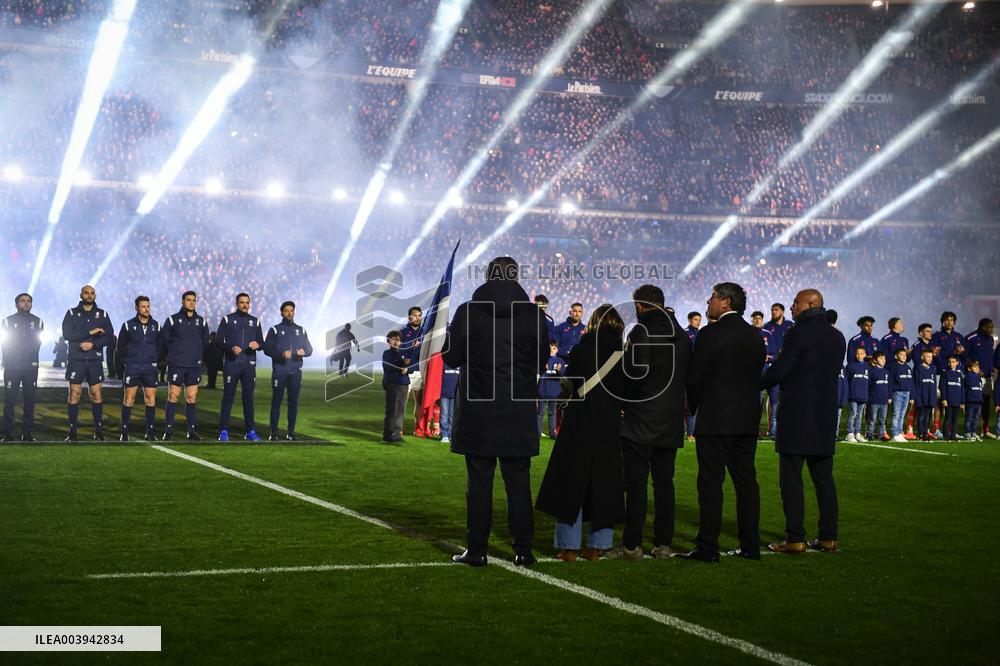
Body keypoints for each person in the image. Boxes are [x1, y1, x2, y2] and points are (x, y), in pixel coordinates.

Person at [443, 256, 548, 567]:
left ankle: (476, 550)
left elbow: (451, 358)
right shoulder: (533, 314)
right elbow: (542, 359)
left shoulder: (468, 311)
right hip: (518, 410)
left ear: (488, 276)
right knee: (518, 484)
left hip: (478, 411)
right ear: (515, 277)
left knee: (478, 485)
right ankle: (524, 550)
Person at [678, 282, 764, 562]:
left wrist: (694, 404)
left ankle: (708, 547)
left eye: (713, 297)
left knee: (711, 484)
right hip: (747, 419)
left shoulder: (709, 334)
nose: (708, 302)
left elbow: (695, 376)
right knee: (746, 483)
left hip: (716, 418)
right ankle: (751, 546)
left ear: (726, 302)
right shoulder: (755, 336)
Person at [536, 304, 627, 562]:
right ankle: (597, 547)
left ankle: (568, 547)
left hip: (580, 422)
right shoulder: (624, 354)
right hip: (609, 426)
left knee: (571, 483)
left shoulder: (581, 349)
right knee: (605, 485)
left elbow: (572, 383)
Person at [607, 284, 690, 561]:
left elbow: (634, 375)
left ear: (641, 306)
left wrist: (622, 401)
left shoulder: (642, 332)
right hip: (670, 420)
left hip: (641, 419)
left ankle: (632, 545)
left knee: (637, 483)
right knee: (665, 484)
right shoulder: (683, 336)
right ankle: (663, 544)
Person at [762, 288, 846, 554]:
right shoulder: (837, 336)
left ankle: (795, 537)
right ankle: (828, 536)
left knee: (791, 479)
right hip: (824, 416)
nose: (792, 307)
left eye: (796, 303)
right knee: (824, 479)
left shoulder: (797, 332)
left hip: (798, 415)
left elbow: (782, 369)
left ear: (811, 304)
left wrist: (754, 380)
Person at [61, 285, 113, 441]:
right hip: (76, 359)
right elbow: (67, 334)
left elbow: (109, 336)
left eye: (92, 293)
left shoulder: (103, 314)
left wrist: (94, 345)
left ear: (95, 296)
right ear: (81, 295)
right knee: (74, 394)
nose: (89, 295)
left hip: (94, 360)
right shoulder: (71, 313)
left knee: (96, 394)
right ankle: (72, 432)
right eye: (86, 293)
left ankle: (98, 431)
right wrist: (90, 333)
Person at [159, 291, 209, 440]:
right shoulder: (173, 320)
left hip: (193, 365)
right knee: (173, 396)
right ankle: (168, 431)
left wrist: (197, 356)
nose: (191, 303)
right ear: (182, 302)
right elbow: (164, 340)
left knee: (192, 398)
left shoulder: (201, 321)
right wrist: (174, 355)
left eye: (194, 300)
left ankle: (191, 431)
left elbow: (205, 342)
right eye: (188, 300)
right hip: (177, 364)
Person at [216, 293, 265, 442]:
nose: (245, 305)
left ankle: (250, 431)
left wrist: (258, 345)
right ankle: (223, 431)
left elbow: (262, 343)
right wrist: (231, 348)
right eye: (242, 302)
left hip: (249, 365)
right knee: (228, 398)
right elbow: (218, 341)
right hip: (232, 364)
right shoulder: (227, 319)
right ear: (236, 304)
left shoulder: (255, 321)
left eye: (247, 302)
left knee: (248, 399)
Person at [263, 301, 313, 441]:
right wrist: (281, 354)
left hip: (295, 373)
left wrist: (305, 352)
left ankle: (290, 433)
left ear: (294, 312)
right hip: (280, 371)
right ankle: (273, 433)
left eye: (291, 310)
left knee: (293, 403)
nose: (289, 313)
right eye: (286, 311)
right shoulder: (275, 330)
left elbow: (309, 349)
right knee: (276, 402)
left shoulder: (301, 330)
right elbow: (267, 349)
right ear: (281, 313)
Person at [116, 296, 160, 442]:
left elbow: (162, 346)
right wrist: (126, 362)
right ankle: (124, 432)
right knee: (129, 398)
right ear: (136, 308)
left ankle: (150, 432)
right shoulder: (128, 325)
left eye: (148, 306)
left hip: (150, 367)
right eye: (143, 306)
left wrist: (156, 360)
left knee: (150, 399)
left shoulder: (156, 325)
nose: (146, 309)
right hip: (132, 366)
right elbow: (119, 347)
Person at [2, 293, 43, 442]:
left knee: (29, 400)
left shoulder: (38, 322)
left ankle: (27, 434)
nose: (26, 304)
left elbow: (36, 344)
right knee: (10, 401)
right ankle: (8, 435)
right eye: (23, 301)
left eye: (29, 301)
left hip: (30, 367)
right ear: (16, 304)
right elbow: (5, 344)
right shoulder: (7, 321)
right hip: (12, 366)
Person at [762, 302, 793, 438]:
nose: (773, 312)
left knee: (786, 397)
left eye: (775, 310)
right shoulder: (767, 327)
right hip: (772, 365)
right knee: (772, 397)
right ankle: (771, 428)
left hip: (787, 365)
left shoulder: (790, 325)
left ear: (782, 311)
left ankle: (784, 427)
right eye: (772, 310)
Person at [964, 319, 994, 438]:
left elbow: (990, 356)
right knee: (972, 403)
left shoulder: (991, 340)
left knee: (985, 403)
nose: (991, 330)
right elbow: (965, 356)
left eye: (992, 327)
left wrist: (991, 368)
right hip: (974, 377)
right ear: (982, 327)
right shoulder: (971, 338)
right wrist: (973, 369)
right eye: (989, 327)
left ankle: (984, 430)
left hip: (987, 377)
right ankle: (969, 430)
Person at [399, 306, 426, 437]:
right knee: (402, 401)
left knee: (419, 401)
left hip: (419, 371)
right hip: (405, 371)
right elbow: (401, 352)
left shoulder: (425, 331)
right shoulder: (403, 331)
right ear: (409, 317)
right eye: (415, 315)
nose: (418, 318)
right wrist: (409, 353)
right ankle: (398, 429)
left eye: (420, 315)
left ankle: (419, 429)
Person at [380, 330, 409, 443]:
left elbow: (411, 366)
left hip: (403, 383)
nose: (397, 342)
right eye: (394, 340)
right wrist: (403, 365)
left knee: (401, 410)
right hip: (392, 383)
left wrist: (407, 368)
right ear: (389, 341)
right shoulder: (387, 353)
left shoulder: (404, 353)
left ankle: (396, 435)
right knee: (391, 410)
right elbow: (390, 366)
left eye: (398, 340)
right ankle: (387, 436)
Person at [536, 341, 562, 439]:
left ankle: (552, 433)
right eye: (550, 348)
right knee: (540, 413)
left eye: (554, 348)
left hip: (554, 391)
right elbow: (538, 372)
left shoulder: (560, 361)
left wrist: (556, 371)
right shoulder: (542, 360)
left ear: (557, 350)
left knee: (552, 413)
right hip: (543, 390)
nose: (552, 350)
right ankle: (537, 432)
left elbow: (559, 375)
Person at [888, 348, 914, 442]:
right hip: (897, 393)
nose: (903, 356)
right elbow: (890, 382)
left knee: (902, 415)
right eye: (901, 355)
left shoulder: (907, 368)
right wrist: (889, 395)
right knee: (896, 414)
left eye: (905, 355)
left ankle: (899, 433)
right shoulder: (893, 367)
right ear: (896, 356)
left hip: (906, 393)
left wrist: (912, 396)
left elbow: (911, 383)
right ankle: (894, 434)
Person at [844, 347, 870, 443]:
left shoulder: (868, 367)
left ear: (865, 355)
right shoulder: (850, 366)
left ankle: (857, 433)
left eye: (861, 353)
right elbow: (847, 381)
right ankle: (849, 434)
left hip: (863, 396)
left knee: (859, 416)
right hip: (853, 395)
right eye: (857, 353)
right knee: (853, 414)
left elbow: (868, 383)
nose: (859, 355)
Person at [912, 349, 938, 440]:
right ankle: (921, 434)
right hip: (921, 397)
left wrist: (934, 398)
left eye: (931, 357)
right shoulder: (918, 368)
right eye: (928, 356)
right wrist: (917, 397)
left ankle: (925, 433)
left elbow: (934, 385)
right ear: (922, 357)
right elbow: (916, 384)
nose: (930, 358)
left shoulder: (932, 369)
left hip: (930, 398)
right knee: (921, 416)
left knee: (927, 417)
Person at [866, 352, 890, 441]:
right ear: (875, 360)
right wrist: (868, 398)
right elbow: (869, 386)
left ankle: (881, 435)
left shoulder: (887, 372)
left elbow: (889, 386)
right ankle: (869, 434)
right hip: (874, 400)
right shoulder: (872, 372)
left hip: (884, 401)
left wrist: (889, 397)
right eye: (881, 359)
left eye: (884, 359)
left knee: (882, 420)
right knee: (872, 419)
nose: (883, 361)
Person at [939, 355, 964, 441]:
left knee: (955, 419)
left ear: (957, 363)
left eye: (953, 362)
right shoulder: (945, 373)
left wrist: (962, 402)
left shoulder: (959, 375)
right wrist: (944, 399)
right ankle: (946, 436)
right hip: (948, 401)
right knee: (948, 418)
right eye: (949, 362)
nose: (951, 364)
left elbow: (962, 389)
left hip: (957, 401)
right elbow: (942, 387)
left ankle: (953, 436)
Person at [439, 360, 459, 444]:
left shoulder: (460, 364)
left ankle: (451, 434)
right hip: (444, 394)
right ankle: (444, 435)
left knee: (452, 415)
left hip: (455, 394)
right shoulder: (443, 363)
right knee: (444, 414)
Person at [964, 361, 983, 441]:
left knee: (976, 418)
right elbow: (964, 390)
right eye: (974, 367)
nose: (977, 368)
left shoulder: (978, 378)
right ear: (969, 368)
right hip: (970, 401)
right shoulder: (967, 377)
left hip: (978, 401)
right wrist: (964, 401)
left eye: (977, 367)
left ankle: (973, 432)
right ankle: (968, 433)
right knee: (969, 418)